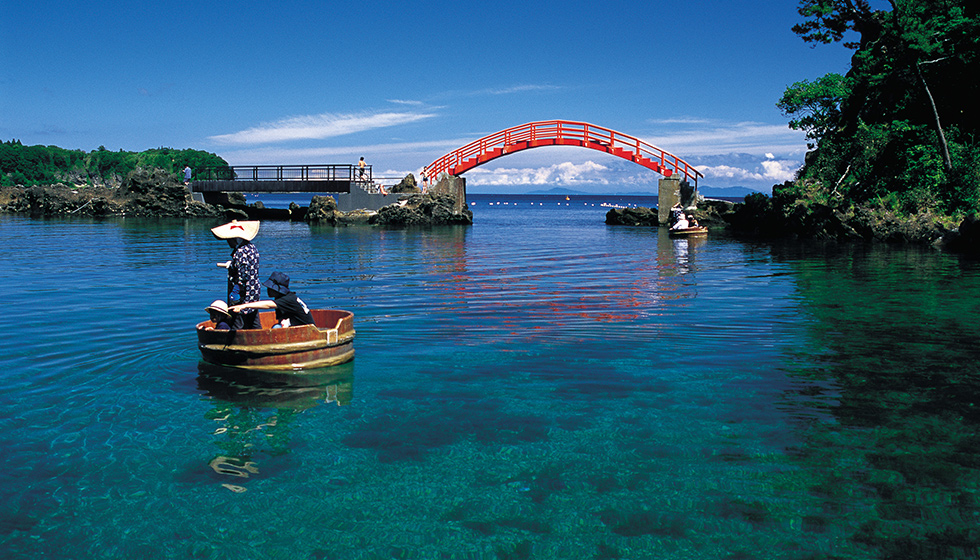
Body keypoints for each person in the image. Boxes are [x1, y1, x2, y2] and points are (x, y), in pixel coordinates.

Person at [211, 220, 261, 330]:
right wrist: (232, 265)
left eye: (229, 239)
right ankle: (259, 337)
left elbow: (243, 275)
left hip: (244, 291)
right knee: (253, 316)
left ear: (235, 238)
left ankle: (232, 341)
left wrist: (236, 290)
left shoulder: (240, 252)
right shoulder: (252, 247)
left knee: (237, 318)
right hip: (254, 289)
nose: (228, 242)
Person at [230, 271, 314, 328]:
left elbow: (268, 304)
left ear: (277, 290)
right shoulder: (283, 298)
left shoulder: (287, 299)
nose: (268, 290)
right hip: (298, 326)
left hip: (308, 331)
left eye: (270, 288)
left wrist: (243, 306)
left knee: (276, 328)